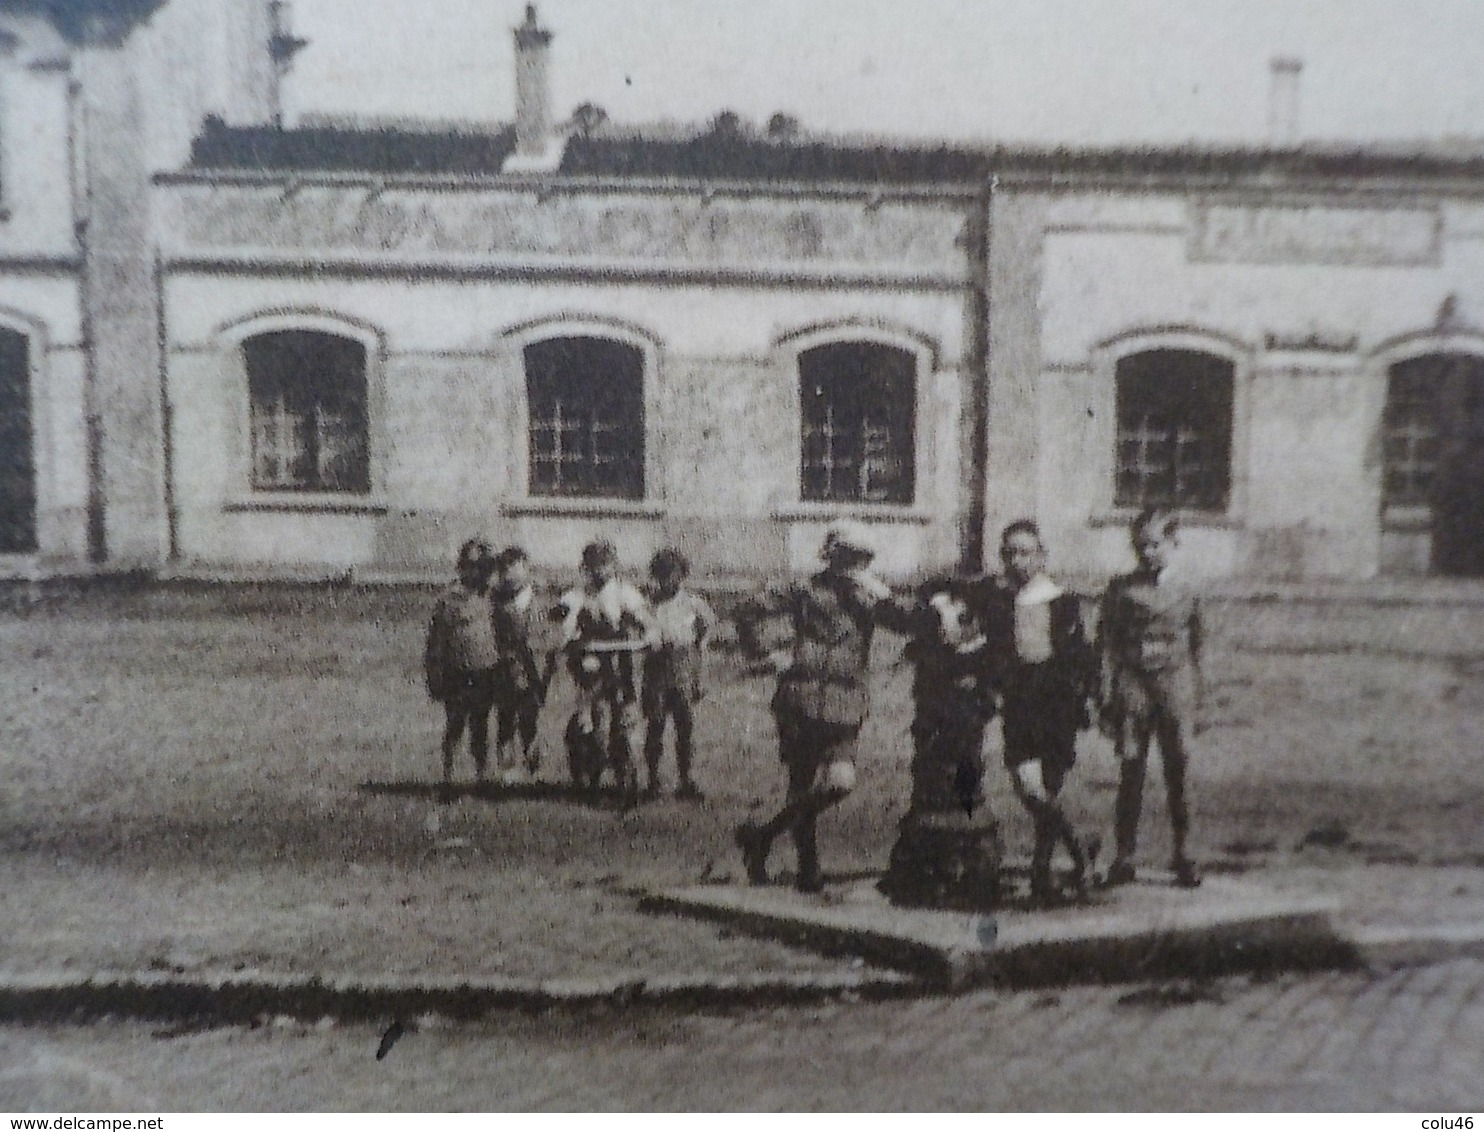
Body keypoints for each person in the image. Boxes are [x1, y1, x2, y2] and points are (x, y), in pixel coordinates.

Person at [733, 521, 914, 894]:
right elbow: (746, 609)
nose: (854, 565)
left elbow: (907, 623)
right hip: (799, 697)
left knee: (840, 783)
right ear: (831, 555)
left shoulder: (869, 596)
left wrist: (883, 595)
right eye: (848, 556)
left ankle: (763, 835)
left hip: (846, 702)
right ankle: (807, 867)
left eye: (862, 558)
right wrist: (767, 653)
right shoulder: (804, 589)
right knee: (800, 782)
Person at [979, 520, 1098, 906]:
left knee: (1047, 788)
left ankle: (1040, 873)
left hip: (1056, 703)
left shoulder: (1061, 601)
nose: (1017, 560)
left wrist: (1084, 701)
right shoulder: (998, 600)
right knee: (1028, 788)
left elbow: (1079, 658)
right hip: (1019, 703)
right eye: (1010, 552)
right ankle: (1079, 846)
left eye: (1026, 552)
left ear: (1042, 556)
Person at [1098, 507, 1205, 889]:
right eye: (1140, 545)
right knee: (1131, 769)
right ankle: (1124, 855)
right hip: (1134, 686)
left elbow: (1200, 645)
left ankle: (1185, 854)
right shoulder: (1121, 588)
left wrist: (1201, 698)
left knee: (1179, 768)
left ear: (1174, 544)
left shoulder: (1189, 589)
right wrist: (1107, 691)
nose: (1147, 553)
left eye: (1156, 544)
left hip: (1175, 686)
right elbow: (1107, 643)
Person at [556, 539, 656, 800]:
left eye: (605, 565)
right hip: (591, 666)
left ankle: (626, 778)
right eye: (593, 566)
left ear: (614, 566)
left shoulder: (624, 593)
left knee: (624, 720)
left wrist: (648, 635)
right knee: (593, 720)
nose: (599, 571)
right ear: (585, 568)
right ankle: (593, 778)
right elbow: (566, 622)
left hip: (620, 665)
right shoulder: (581, 595)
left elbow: (645, 620)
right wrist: (571, 636)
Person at [423, 537, 500, 797]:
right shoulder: (449, 600)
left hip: (485, 671)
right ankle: (448, 777)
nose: (477, 572)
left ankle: (482, 776)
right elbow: (436, 641)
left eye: (483, 567)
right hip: (457, 671)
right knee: (455, 723)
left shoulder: (492, 598)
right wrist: (435, 675)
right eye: (472, 566)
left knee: (480, 725)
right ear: (462, 567)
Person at [641, 548, 716, 801]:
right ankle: (653, 780)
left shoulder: (695, 605)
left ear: (683, 575)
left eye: (673, 575)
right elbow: (641, 632)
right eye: (662, 576)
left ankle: (686, 779)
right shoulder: (650, 604)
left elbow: (704, 640)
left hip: (684, 669)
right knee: (656, 724)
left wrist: (700, 677)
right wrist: (651, 638)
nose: (668, 581)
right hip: (656, 671)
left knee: (685, 727)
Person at [489, 545, 558, 783]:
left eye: (515, 568)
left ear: (527, 568)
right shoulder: (496, 603)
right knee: (506, 720)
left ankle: (535, 769)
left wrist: (546, 668)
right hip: (506, 670)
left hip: (535, 671)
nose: (509, 575)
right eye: (504, 570)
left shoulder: (541, 600)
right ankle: (507, 772)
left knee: (530, 720)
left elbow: (551, 637)